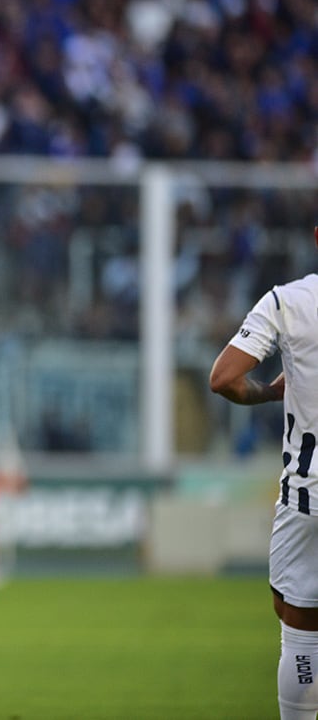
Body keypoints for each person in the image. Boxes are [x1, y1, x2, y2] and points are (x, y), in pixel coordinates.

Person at [209, 226, 317, 720]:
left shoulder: (287, 302)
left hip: (309, 497)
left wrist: (271, 392)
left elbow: (224, 379)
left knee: (298, 625)